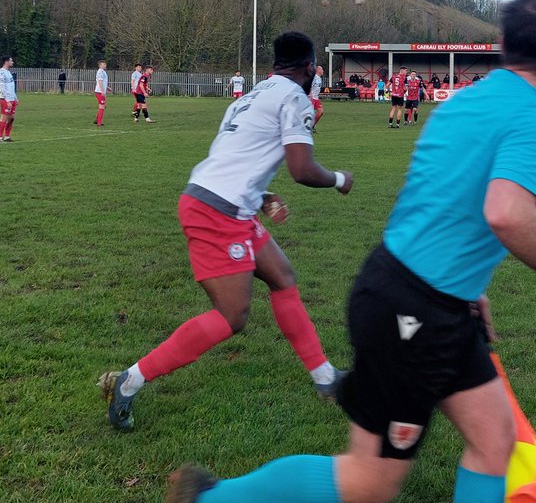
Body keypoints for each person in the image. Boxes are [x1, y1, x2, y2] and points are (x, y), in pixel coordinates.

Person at [152, 0, 536, 503]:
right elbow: (505, 213)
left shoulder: (465, 99)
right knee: (370, 479)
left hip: (421, 294)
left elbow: (441, 200)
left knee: (493, 436)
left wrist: (472, 290)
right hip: (415, 309)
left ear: (503, 47)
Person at [101, 32, 354, 431]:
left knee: (282, 276)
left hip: (222, 201)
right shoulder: (294, 98)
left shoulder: (250, 95)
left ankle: (325, 378)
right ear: (309, 69)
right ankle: (130, 380)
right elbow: (303, 171)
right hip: (216, 212)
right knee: (232, 316)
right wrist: (341, 179)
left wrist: (262, 193)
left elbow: (233, 158)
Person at [0, 55, 17, 142]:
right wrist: (7, 100)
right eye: (11, 61)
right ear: (6, 62)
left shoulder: (8, 72)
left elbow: (11, 86)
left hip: (12, 99)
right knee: (4, 118)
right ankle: (0, 137)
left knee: (11, 118)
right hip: (5, 99)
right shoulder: (1, 73)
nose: (12, 62)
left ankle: (7, 136)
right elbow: (2, 88)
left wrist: (15, 97)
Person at [93, 60, 109, 126]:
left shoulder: (103, 72)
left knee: (103, 106)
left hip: (101, 91)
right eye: (103, 64)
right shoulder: (100, 72)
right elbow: (100, 81)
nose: (105, 65)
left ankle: (97, 120)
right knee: (102, 107)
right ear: (100, 65)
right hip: (99, 92)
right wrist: (102, 91)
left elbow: (103, 82)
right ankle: (99, 123)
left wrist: (107, 87)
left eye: (105, 64)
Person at [310, 65, 325, 132]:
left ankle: (312, 126)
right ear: (318, 70)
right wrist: (310, 94)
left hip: (316, 98)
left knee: (321, 112)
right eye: (321, 69)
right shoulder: (314, 77)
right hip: (311, 97)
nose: (323, 71)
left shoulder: (319, 78)